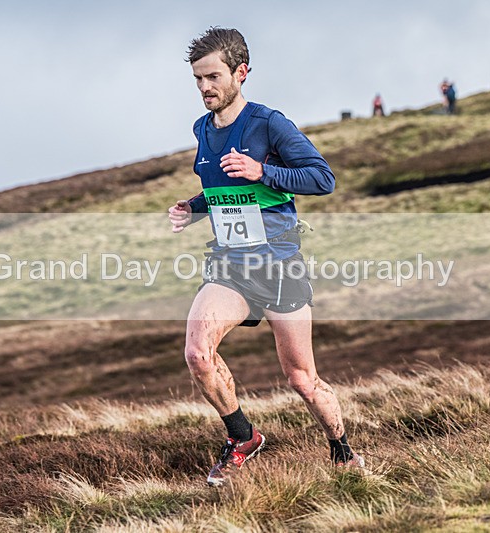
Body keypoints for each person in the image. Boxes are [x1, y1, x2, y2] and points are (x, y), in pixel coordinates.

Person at [168, 27, 365, 488]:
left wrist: (263, 171)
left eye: (213, 77)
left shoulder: (269, 124)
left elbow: (322, 178)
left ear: (241, 72)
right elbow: (224, 191)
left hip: (278, 268)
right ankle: (243, 436)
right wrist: (194, 208)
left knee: (302, 379)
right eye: (198, 79)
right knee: (198, 353)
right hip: (230, 267)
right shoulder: (202, 129)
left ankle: (342, 449)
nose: (204, 88)